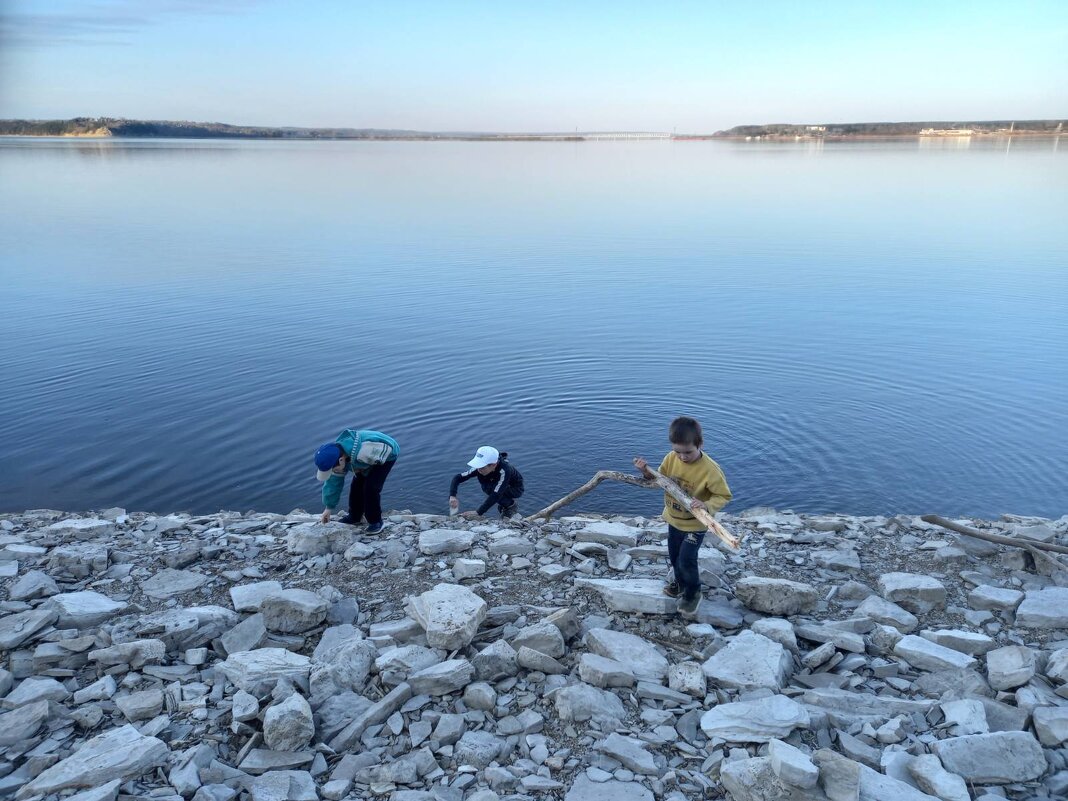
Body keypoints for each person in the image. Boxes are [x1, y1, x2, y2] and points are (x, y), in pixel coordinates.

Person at [634, 416, 731, 618]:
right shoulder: (671, 458)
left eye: (688, 452)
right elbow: (659, 480)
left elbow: (723, 495)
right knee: (674, 555)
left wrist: (706, 505)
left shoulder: (710, 470)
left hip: (696, 523)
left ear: (700, 444)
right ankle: (679, 583)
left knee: (687, 558)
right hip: (674, 519)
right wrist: (645, 472)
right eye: (678, 451)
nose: (682, 457)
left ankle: (693, 592)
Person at [314, 428, 399, 533]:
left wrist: (365, 472)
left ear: (341, 460)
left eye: (333, 469)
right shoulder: (338, 457)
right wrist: (328, 508)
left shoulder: (364, 451)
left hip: (385, 454)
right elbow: (333, 484)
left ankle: (376, 521)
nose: (334, 471)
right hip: (361, 460)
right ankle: (355, 517)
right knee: (356, 486)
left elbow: (382, 454)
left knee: (371, 487)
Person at [449, 446, 525, 519]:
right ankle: (503, 504)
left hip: (515, 488)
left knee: (492, 490)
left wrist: (478, 512)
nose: (479, 470)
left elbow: (496, 494)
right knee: (487, 487)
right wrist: (452, 496)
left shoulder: (505, 470)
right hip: (494, 482)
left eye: (482, 467)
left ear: (493, 465)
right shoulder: (480, 468)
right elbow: (458, 477)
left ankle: (510, 505)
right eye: (478, 466)